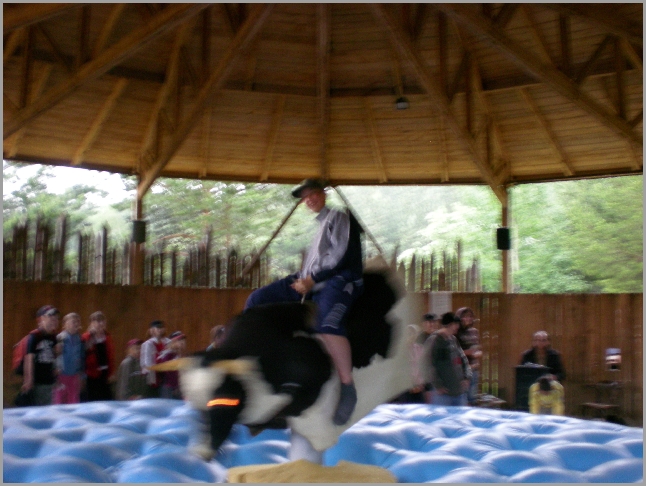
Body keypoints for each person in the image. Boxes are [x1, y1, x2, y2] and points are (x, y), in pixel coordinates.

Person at [244, 178, 364, 425]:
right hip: (308, 279)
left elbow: (340, 256)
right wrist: (304, 279)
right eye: (305, 197)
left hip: (338, 280)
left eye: (313, 194)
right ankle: (259, 357)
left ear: (324, 194)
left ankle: (348, 387)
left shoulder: (339, 217)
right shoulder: (321, 224)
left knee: (327, 325)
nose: (309, 199)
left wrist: (312, 280)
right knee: (257, 299)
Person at [423, 312, 472, 406]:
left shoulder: (453, 340)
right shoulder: (434, 340)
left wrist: (467, 377)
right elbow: (427, 364)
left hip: (459, 393)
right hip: (443, 395)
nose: (458, 327)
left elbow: (464, 360)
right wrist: (438, 385)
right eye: (456, 324)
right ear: (450, 324)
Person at [22, 305, 60, 406]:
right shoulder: (34, 336)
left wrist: (56, 377)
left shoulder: (54, 337)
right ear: (41, 319)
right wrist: (29, 379)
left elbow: (55, 358)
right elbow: (29, 358)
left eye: (56, 318)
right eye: (51, 317)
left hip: (50, 381)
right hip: (38, 382)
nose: (54, 320)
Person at [82, 311, 115, 401]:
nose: (101, 324)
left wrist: (111, 373)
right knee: (93, 400)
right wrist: (91, 336)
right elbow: (83, 353)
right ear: (91, 323)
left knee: (107, 399)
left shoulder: (107, 337)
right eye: (98, 321)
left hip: (105, 373)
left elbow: (110, 355)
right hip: (92, 375)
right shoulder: (86, 337)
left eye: (103, 321)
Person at [53, 312, 85, 404]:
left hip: (74, 376)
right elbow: (55, 357)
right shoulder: (60, 338)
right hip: (61, 375)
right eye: (73, 322)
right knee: (59, 401)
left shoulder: (79, 339)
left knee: (73, 401)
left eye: (78, 322)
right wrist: (55, 376)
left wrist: (82, 376)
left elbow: (81, 357)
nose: (76, 324)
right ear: (65, 324)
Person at [455, 307, 482, 405]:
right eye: (465, 316)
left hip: (474, 370)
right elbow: (453, 352)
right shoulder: (456, 332)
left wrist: (478, 353)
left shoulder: (474, 331)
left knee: (473, 399)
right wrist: (468, 352)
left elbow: (478, 347)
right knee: (462, 399)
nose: (468, 319)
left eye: (470, 316)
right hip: (462, 371)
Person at [140, 320, 170, 398]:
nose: (160, 330)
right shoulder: (147, 344)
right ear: (151, 330)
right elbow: (145, 363)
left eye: (161, 328)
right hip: (152, 377)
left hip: (165, 376)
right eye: (157, 328)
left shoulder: (168, 342)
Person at [156, 331, 187, 399]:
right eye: (179, 340)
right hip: (169, 389)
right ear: (172, 342)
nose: (182, 342)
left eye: (183, 340)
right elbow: (167, 372)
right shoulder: (167, 355)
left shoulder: (182, 356)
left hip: (179, 389)